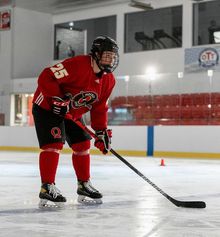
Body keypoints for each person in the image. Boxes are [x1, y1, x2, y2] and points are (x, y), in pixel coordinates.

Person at [32, 36, 119, 207]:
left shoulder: (109, 80)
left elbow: (100, 107)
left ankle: (84, 185)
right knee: (53, 145)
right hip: (48, 107)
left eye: (113, 56)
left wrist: (101, 132)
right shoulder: (77, 65)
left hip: (71, 111)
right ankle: (47, 187)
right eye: (107, 55)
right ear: (96, 54)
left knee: (82, 145)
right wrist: (57, 99)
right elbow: (46, 76)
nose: (110, 60)